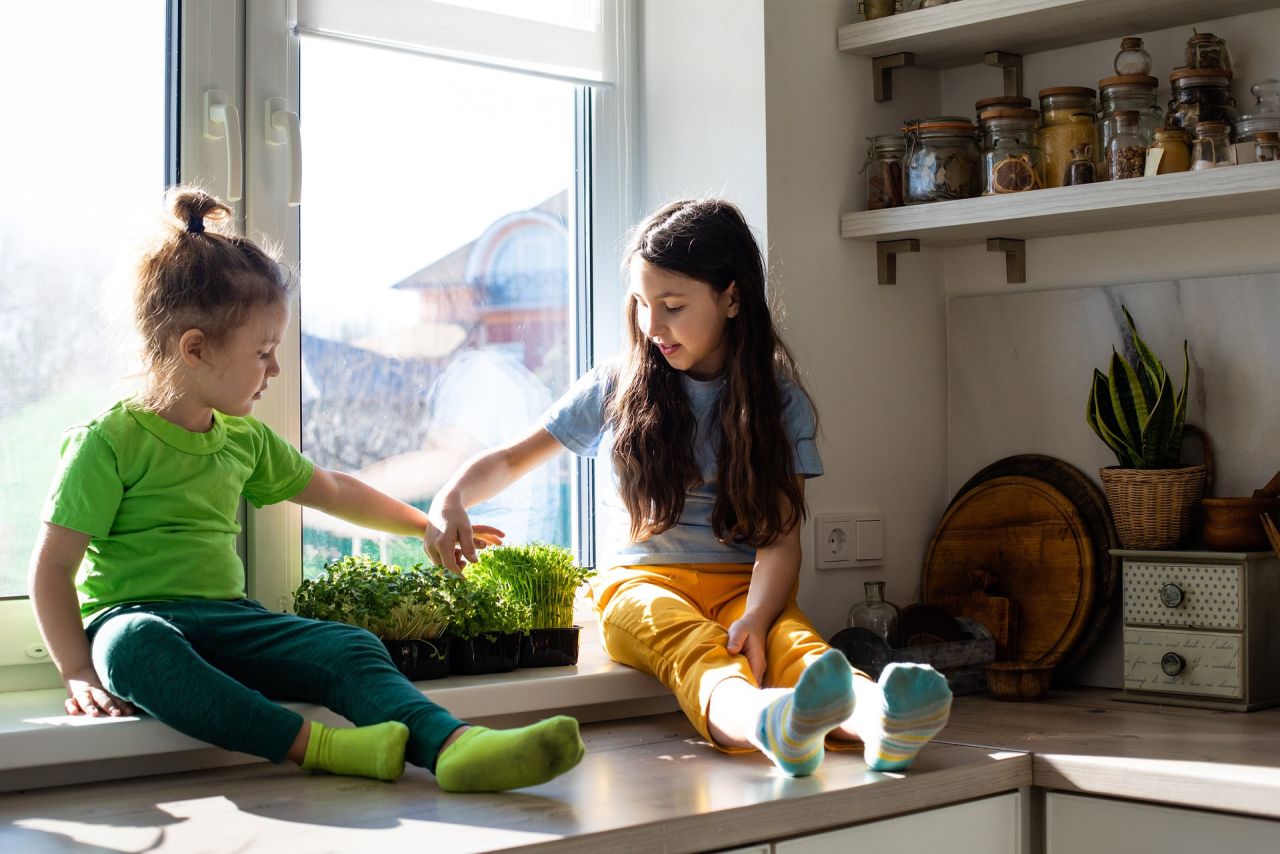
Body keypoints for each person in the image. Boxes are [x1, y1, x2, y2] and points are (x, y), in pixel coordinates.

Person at [27, 187, 584, 792]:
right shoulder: (108, 441)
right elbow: (53, 569)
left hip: (230, 622)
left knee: (349, 646)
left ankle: (452, 745)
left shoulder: (242, 439)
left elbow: (337, 491)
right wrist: (78, 670)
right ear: (194, 348)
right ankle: (323, 748)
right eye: (263, 353)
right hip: (135, 619)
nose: (274, 370)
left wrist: (422, 524)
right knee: (135, 647)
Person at [425, 198, 952, 776]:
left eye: (672, 306)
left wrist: (755, 616)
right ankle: (769, 724)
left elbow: (779, 541)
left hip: (743, 587)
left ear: (731, 297)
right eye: (642, 305)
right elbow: (510, 460)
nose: (652, 326)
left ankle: (885, 720)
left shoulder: (779, 403)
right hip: (641, 584)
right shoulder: (616, 387)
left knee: (798, 649)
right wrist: (453, 495)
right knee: (696, 650)